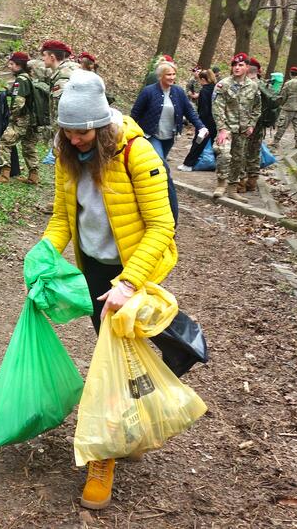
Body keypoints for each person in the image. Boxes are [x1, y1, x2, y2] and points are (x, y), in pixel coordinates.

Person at [38, 70, 177, 510]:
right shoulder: (65, 153)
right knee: (119, 352)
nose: (75, 140)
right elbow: (63, 217)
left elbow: (161, 226)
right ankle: (131, 428)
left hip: (134, 268)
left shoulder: (137, 151)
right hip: (95, 268)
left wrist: (129, 282)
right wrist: (42, 255)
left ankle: (106, 456)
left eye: (82, 133)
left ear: (100, 126)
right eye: (68, 131)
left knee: (111, 359)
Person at [130, 60, 206, 162]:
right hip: (150, 134)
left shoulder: (178, 91)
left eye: (174, 74)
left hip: (169, 136)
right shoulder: (148, 91)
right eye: (169, 74)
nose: (172, 77)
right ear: (161, 76)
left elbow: (189, 111)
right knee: (160, 162)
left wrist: (200, 127)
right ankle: (167, 178)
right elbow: (135, 113)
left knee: (159, 163)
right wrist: (128, 131)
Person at [212, 53, 261, 200]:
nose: (237, 68)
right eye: (234, 65)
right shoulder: (223, 84)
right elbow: (217, 107)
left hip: (242, 130)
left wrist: (251, 124)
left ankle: (232, 189)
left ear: (247, 67)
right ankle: (221, 184)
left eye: (240, 65)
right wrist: (221, 128)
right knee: (224, 154)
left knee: (238, 159)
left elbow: (257, 108)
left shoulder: (253, 86)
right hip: (226, 128)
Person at [0, 52, 39, 184]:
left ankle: (4, 175)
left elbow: (19, 101)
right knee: (29, 146)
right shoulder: (27, 78)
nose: (9, 66)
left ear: (19, 65)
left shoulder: (21, 80)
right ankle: (33, 176)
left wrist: (12, 117)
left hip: (22, 119)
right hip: (32, 119)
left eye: (12, 64)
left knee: (4, 142)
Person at [178, 70, 217, 170]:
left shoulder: (204, 91)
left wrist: (199, 124)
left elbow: (204, 109)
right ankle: (215, 164)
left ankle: (188, 164)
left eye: (200, 80)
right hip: (215, 121)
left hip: (205, 122)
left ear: (203, 79)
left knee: (198, 142)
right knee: (214, 144)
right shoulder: (216, 89)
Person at [241, 57, 269, 193]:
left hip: (246, 124)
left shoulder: (247, 85)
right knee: (255, 153)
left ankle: (241, 183)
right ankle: (252, 182)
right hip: (259, 125)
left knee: (242, 152)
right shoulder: (264, 85)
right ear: (259, 70)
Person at [272, 66, 297, 150]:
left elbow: (283, 96)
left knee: (282, 125)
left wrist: (281, 104)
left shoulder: (288, 84)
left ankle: (276, 141)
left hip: (288, 108)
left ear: (290, 73)